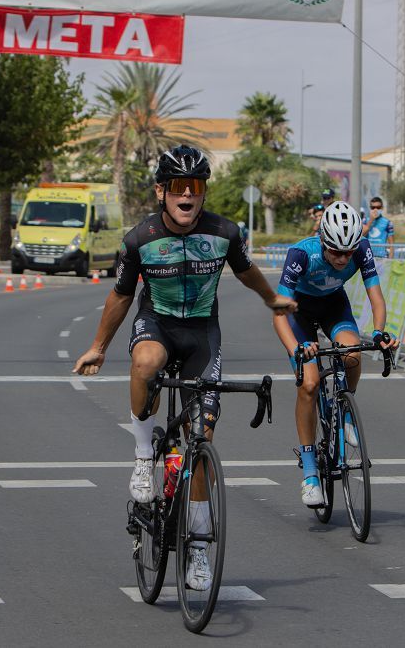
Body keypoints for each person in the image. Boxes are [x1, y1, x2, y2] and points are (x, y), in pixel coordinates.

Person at [72, 145, 295, 591]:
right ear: (162, 192)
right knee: (147, 362)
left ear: (204, 193)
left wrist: (270, 298)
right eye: (178, 187)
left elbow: (246, 271)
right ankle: (141, 458)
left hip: (201, 335)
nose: (187, 195)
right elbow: (119, 297)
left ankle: (196, 550)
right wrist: (98, 347)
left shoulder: (225, 233)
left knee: (201, 443)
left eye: (195, 187)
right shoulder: (140, 239)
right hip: (157, 324)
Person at [271, 201, 399, 506]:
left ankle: (344, 410)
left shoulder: (362, 249)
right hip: (297, 311)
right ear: (323, 241)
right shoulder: (301, 254)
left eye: (348, 252)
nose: (343, 259)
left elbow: (376, 297)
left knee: (353, 353)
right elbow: (278, 313)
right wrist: (298, 348)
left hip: (332, 305)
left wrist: (380, 331)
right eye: (335, 252)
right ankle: (311, 473)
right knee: (310, 383)